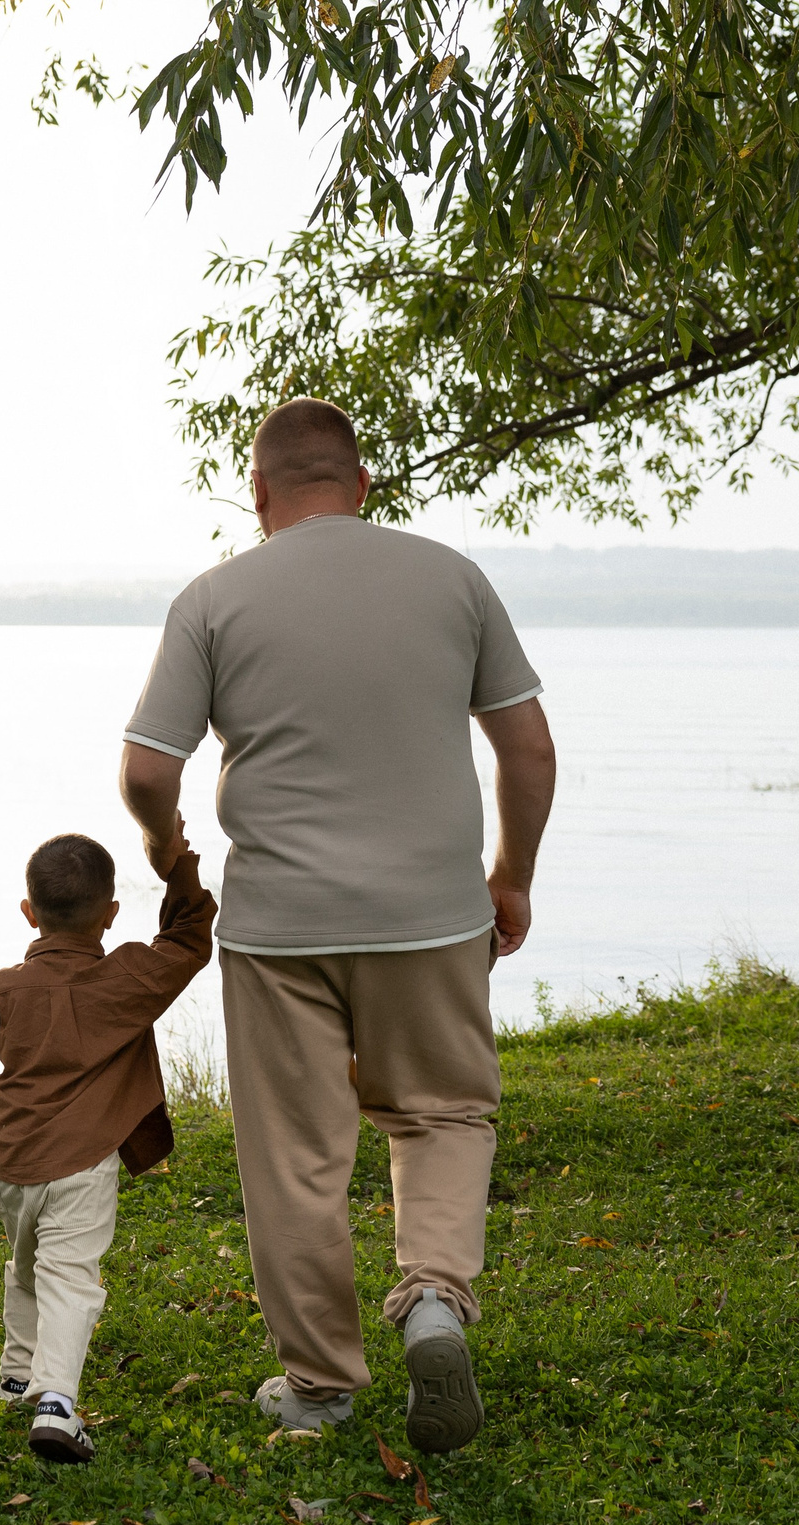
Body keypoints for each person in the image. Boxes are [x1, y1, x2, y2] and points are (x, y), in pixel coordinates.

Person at [118, 398, 558, 1457]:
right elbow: (528, 751)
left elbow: (145, 767)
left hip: (280, 924)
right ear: (363, 484)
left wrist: (167, 851)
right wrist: (512, 876)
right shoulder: (451, 578)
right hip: (432, 914)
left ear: (257, 491)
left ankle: (317, 1385)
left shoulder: (214, 597)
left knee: (295, 1154)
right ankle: (437, 1300)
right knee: (444, 1110)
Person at [0, 831, 215, 1463]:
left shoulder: (5, 988)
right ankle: (57, 1404)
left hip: (6, 1160)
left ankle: (16, 1373)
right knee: (70, 1277)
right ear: (111, 914)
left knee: (28, 1261)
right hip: (81, 1161)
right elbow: (191, 937)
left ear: (28, 912)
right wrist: (177, 863)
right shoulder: (132, 976)